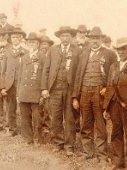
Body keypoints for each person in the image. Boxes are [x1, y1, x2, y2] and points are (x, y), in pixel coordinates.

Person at [72, 26, 117, 167]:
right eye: (92, 39)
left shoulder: (109, 54)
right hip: (84, 91)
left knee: (100, 125)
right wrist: (75, 96)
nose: (94, 41)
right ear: (89, 40)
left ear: (102, 39)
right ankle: (88, 152)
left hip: (99, 93)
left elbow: (113, 75)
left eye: (97, 39)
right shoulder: (83, 53)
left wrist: (107, 89)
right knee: (86, 123)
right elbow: (78, 75)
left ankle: (102, 154)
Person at [41, 26, 80, 156]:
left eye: (67, 36)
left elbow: (79, 72)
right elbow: (46, 69)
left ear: (71, 37)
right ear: (59, 37)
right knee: (55, 117)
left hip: (70, 89)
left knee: (69, 118)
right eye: (63, 36)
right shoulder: (52, 50)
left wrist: (76, 92)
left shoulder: (77, 51)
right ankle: (58, 143)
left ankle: (69, 146)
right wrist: (44, 88)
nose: (65, 38)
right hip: (55, 88)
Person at [103, 38, 127, 170]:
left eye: (124, 49)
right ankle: (118, 162)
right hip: (114, 105)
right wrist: (106, 107)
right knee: (116, 133)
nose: (121, 52)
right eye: (119, 49)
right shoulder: (114, 66)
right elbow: (109, 86)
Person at [18, 32, 45, 144]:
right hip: (24, 91)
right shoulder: (24, 57)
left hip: (36, 92)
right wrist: (18, 93)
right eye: (29, 42)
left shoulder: (43, 57)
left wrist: (43, 91)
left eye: (33, 42)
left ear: (38, 44)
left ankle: (38, 138)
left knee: (37, 118)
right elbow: (19, 76)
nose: (31, 44)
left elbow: (45, 75)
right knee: (25, 117)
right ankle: (28, 139)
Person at [0, 27, 27, 136]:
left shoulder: (25, 52)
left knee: (23, 107)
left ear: (21, 38)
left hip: (21, 83)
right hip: (9, 84)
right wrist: (2, 87)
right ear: (11, 38)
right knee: (10, 107)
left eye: (17, 37)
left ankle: (26, 130)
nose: (15, 39)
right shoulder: (7, 52)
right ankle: (11, 128)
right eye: (13, 37)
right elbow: (3, 71)